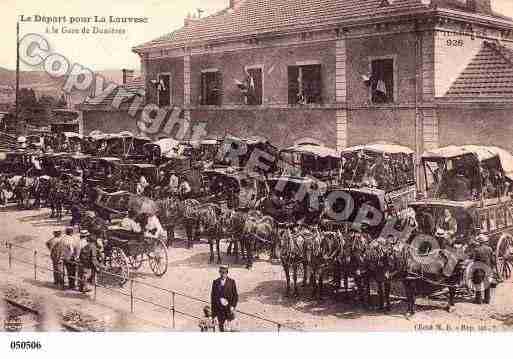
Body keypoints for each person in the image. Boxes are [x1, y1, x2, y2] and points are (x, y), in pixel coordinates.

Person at [210, 265, 238, 332]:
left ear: (227, 273)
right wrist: (213, 315)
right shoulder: (215, 282)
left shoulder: (232, 282)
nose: (222, 274)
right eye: (221, 272)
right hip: (219, 311)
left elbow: (235, 296)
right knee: (221, 328)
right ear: (219, 272)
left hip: (229, 310)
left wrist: (233, 306)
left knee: (230, 329)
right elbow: (213, 298)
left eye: (224, 273)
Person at [471, 234, 495, 304]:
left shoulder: (476, 249)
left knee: (478, 284)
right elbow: (492, 260)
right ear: (485, 241)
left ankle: (478, 300)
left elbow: (474, 260)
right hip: (487, 269)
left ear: (479, 242)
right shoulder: (489, 249)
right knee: (487, 284)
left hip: (479, 270)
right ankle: (487, 300)